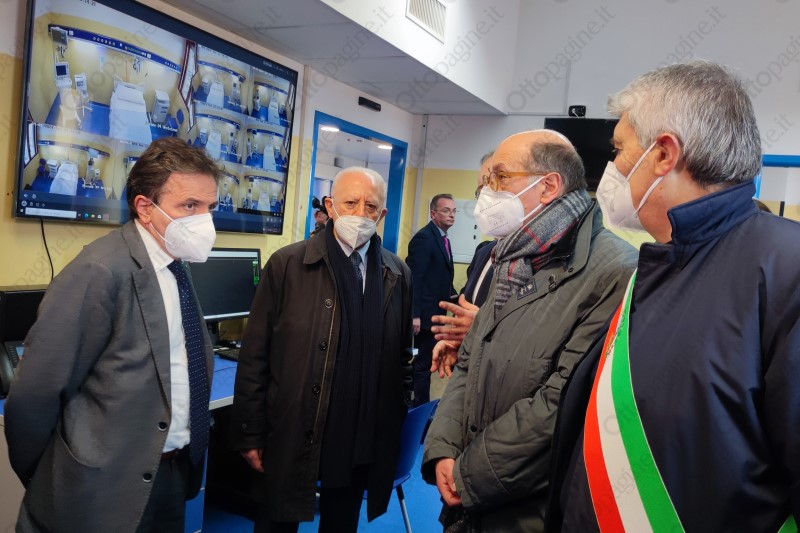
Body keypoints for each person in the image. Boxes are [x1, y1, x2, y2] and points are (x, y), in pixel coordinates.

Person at [547, 62, 800, 533]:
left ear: (663, 154)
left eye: (619, 149)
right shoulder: (662, 261)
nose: (612, 168)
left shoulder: (787, 270)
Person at [422, 129, 638, 531]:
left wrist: (468, 473)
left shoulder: (615, 270)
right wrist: (444, 448)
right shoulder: (513, 254)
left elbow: (562, 401)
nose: (488, 192)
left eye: (501, 177)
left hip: (532, 510)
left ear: (548, 186)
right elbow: (469, 362)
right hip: (471, 503)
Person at [4, 137, 221, 533]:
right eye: (190, 206)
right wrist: (49, 477)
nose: (204, 221)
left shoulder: (176, 264)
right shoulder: (100, 271)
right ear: (145, 207)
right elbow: (34, 395)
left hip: (170, 474)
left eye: (210, 207)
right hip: (101, 489)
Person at [230, 167, 413, 533]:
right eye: (350, 202)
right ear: (330, 206)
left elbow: (401, 357)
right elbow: (254, 357)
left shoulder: (396, 272)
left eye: (371, 206)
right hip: (293, 426)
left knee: (341, 524)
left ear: (382, 214)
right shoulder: (288, 265)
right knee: (277, 522)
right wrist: (250, 431)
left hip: (359, 435)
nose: (360, 213)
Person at [406, 193, 457, 406]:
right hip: (424, 316)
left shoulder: (443, 239)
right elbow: (415, 279)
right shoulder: (424, 238)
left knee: (425, 363)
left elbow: (440, 276)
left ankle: (417, 405)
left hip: (435, 314)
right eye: (446, 210)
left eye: (454, 211)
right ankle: (421, 409)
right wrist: (415, 314)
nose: (452, 215)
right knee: (422, 365)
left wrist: (456, 297)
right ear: (433, 213)